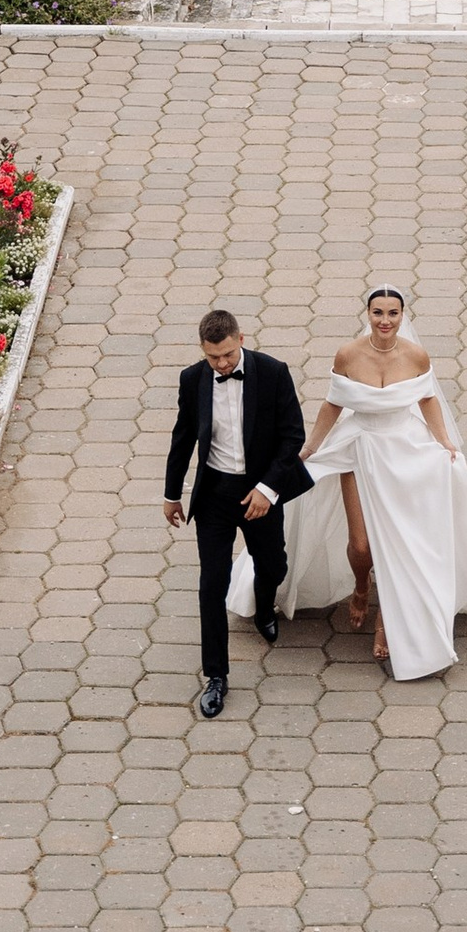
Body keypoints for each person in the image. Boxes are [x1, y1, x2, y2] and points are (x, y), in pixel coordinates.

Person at [251, 283, 467, 680]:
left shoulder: (416, 355)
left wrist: (444, 441)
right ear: (367, 314)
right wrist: (311, 447)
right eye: (378, 312)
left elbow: (427, 398)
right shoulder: (348, 354)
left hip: (407, 454)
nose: (385, 320)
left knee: (402, 541)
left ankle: (387, 617)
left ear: (403, 316)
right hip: (359, 448)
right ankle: (361, 585)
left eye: (393, 313)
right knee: (362, 543)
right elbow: (334, 402)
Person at [163, 306, 309, 718]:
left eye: (227, 355)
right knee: (212, 583)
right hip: (214, 494)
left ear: (240, 339)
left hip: (260, 491)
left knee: (273, 565)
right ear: (202, 350)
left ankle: (265, 605)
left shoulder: (273, 372)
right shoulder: (193, 380)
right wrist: (172, 493)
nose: (222, 363)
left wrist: (267, 489)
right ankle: (216, 676)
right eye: (214, 358)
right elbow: (183, 437)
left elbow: (292, 435)